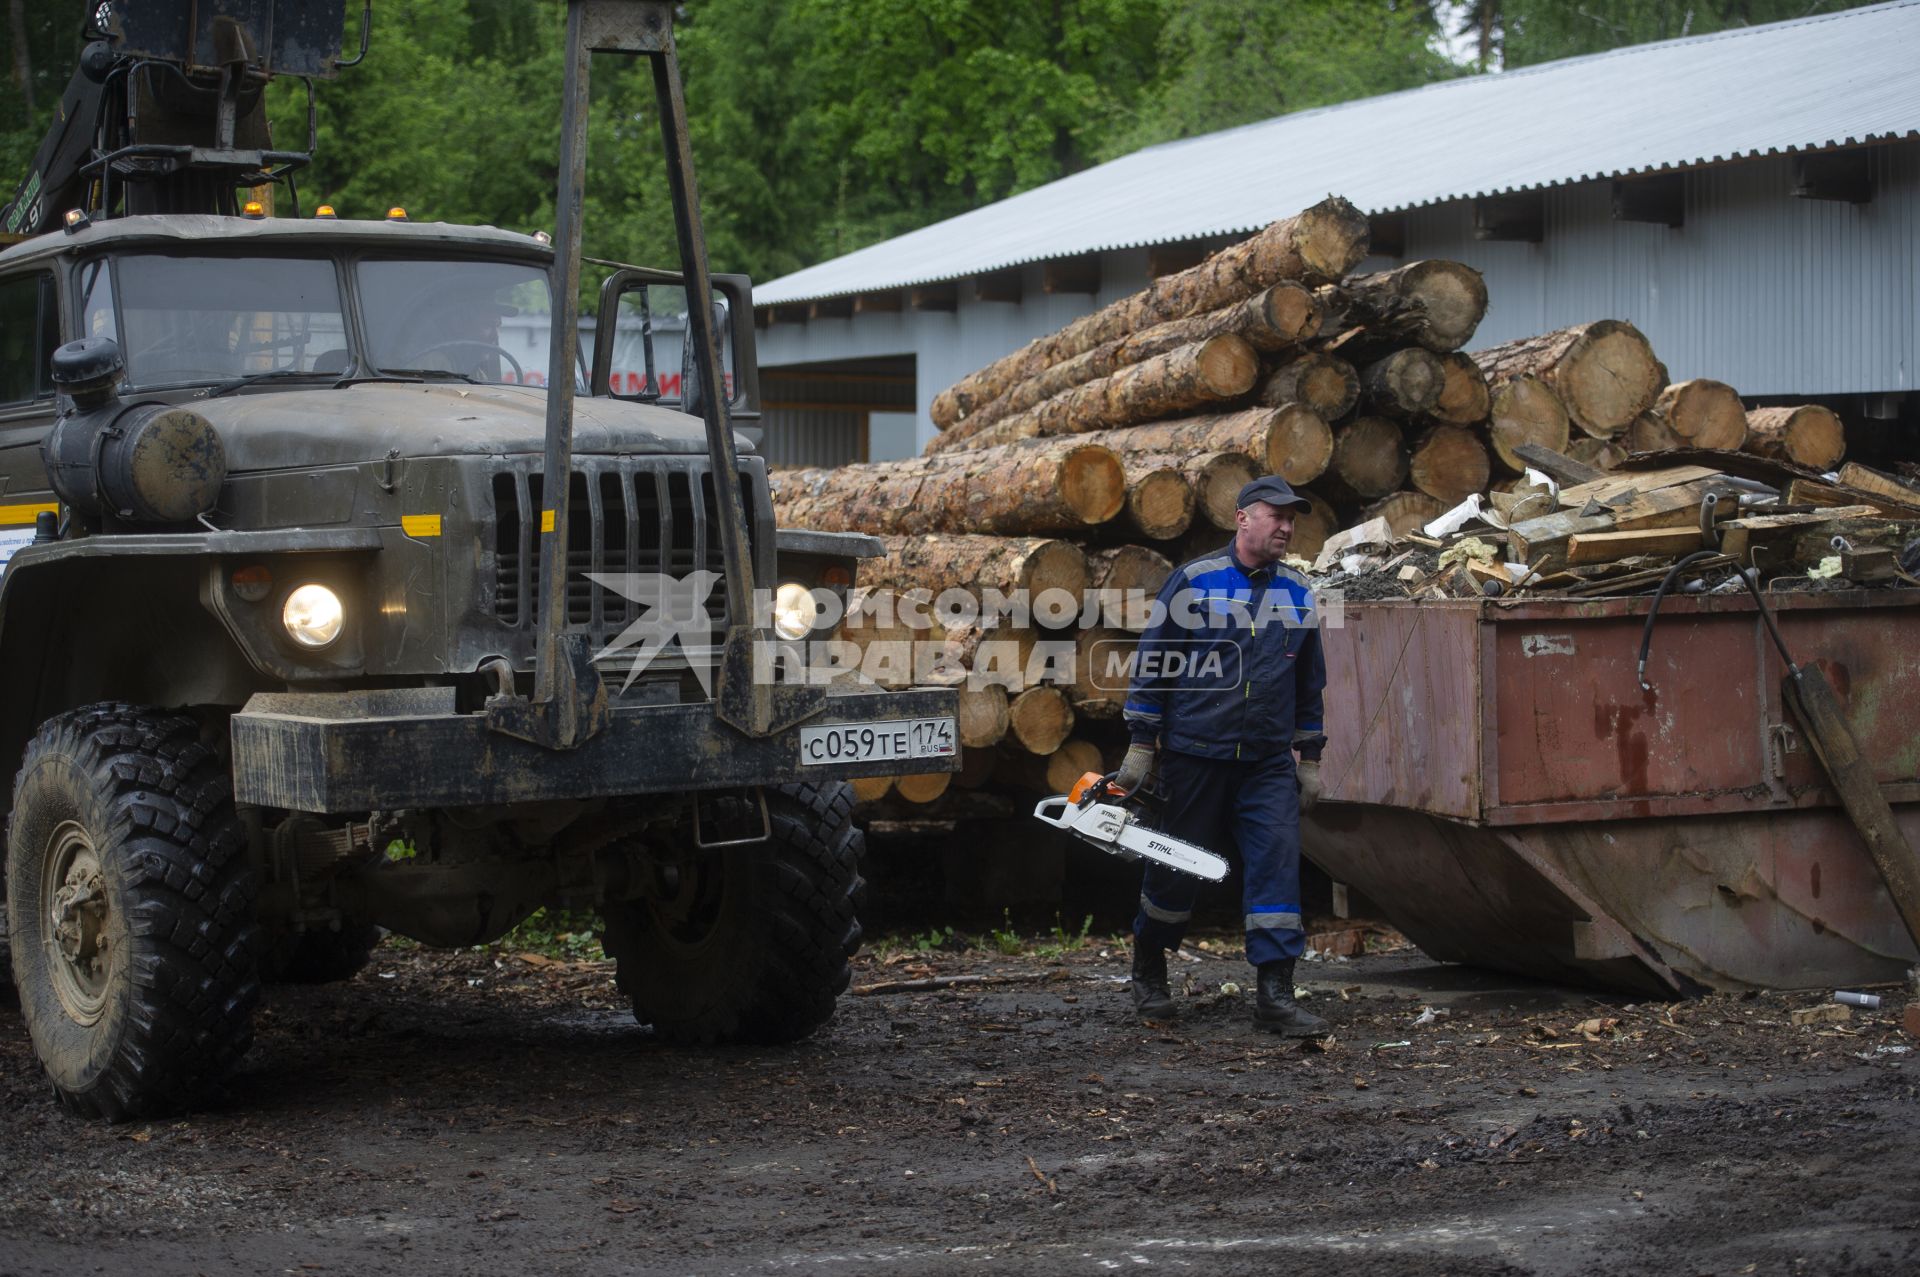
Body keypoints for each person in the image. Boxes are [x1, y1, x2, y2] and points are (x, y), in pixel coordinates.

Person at [1118, 474, 1329, 1036]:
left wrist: (1309, 759)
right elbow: (1153, 662)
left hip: (1265, 765)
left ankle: (1276, 994)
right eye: (1275, 515)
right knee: (1175, 869)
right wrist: (1142, 744)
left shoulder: (1299, 594)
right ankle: (1150, 967)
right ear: (1242, 517)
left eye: (1292, 519)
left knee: (1277, 870)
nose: (1286, 526)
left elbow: (1310, 685)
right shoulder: (1194, 582)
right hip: (1194, 758)